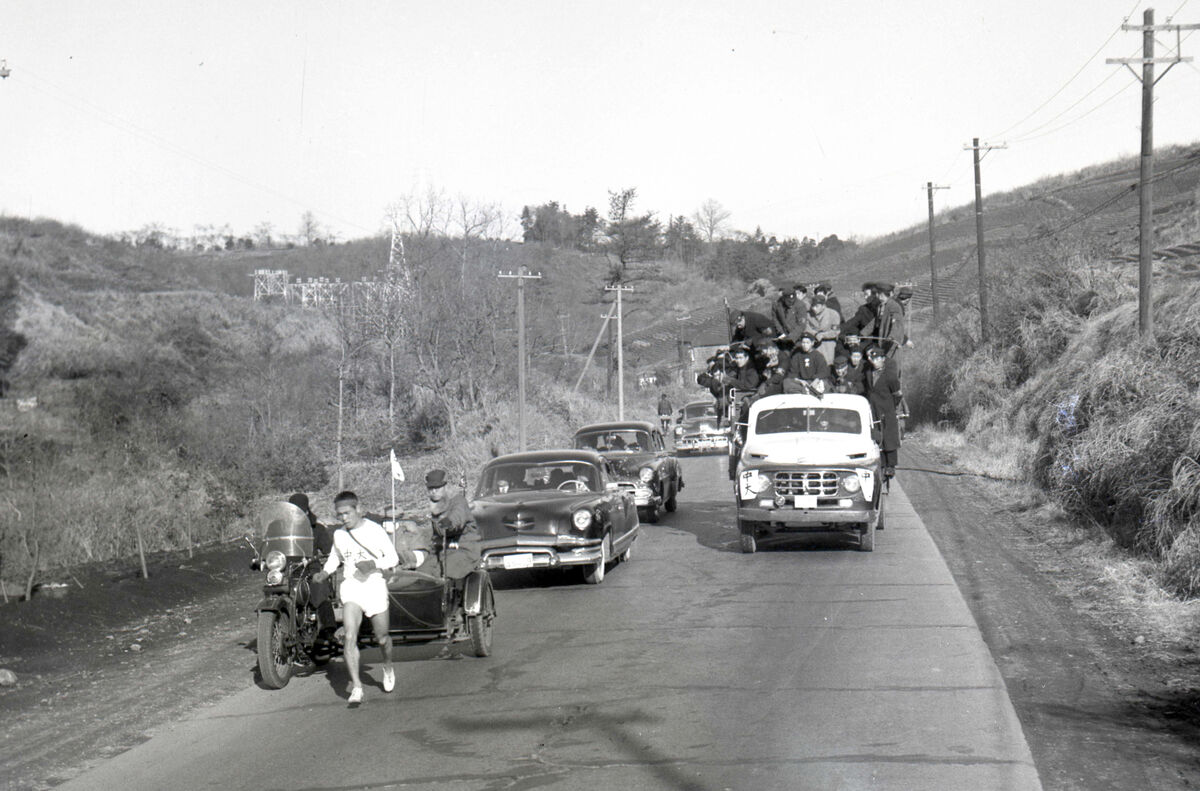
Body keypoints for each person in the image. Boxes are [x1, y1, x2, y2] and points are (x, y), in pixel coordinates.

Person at [311, 491, 399, 704]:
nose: (343, 518)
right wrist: (324, 573)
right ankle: (357, 687)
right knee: (350, 636)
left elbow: (392, 557)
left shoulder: (374, 530)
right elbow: (335, 558)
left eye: (347, 513)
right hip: (352, 587)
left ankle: (387, 666)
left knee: (382, 638)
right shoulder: (339, 535)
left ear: (358, 509)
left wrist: (373, 564)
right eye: (339, 515)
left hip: (374, 586)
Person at [287, 493, 336, 636]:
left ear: (306, 510)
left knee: (319, 586)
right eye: (293, 511)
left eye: (300, 511)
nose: (297, 515)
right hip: (287, 571)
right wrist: (260, 558)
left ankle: (328, 629)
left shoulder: (317, 528)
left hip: (310, 570)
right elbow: (271, 545)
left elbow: (328, 550)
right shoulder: (282, 527)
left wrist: (327, 556)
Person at [426, 469, 482, 583]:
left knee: (445, 572)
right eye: (431, 488)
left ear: (446, 487)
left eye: (437, 488)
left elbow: (458, 516)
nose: (434, 491)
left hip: (464, 551)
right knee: (421, 574)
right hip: (441, 552)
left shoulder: (458, 501)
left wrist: (449, 523)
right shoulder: (434, 505)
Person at [863, 346, 902, 481]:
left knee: (889, 437)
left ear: (883, 359)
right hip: (873, 409)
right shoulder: (869, 373)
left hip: (887, 410)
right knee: (877, 435)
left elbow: (897, 394)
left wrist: (891, 407)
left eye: (877, 358)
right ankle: (881, 463)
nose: (875, 361)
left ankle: (890, 465)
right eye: (873, 359)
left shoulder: (890, 376)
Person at [802, 294, 842, 365]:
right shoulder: (808, 315)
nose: (814, 308)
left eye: (817, 306)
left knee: (827, 363)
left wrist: (823, 335)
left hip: (828, 342)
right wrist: (815, 334)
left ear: (823, 306)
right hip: (813, 342)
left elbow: (836, 331)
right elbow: (805, 327)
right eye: (812, 306)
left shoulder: (833, 314)